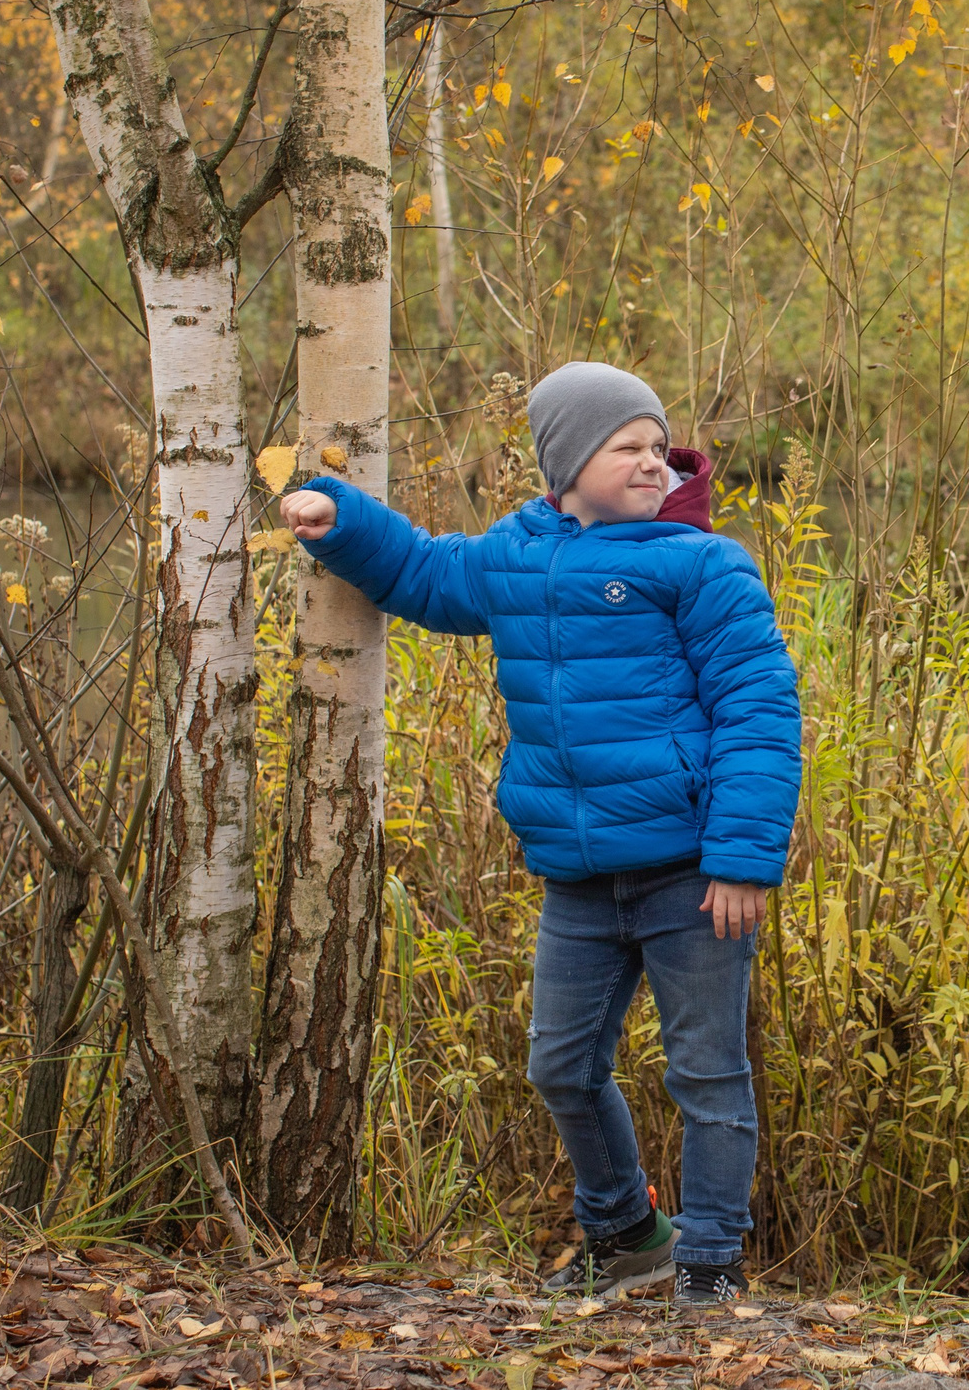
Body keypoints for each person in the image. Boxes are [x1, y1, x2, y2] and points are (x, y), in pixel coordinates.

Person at [277, 363, 799, 1307]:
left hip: (692, 872)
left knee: (707, 1073)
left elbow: (758, 709)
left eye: (658, 445)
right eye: (628, 446)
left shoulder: (702, 564)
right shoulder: (516, 556)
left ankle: (712, 1263)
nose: (654, 461)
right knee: (561, 1065)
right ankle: (628, 1234)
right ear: (567, 462)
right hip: (579, 877)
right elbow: (421, 573)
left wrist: (741, 857)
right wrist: (341, 518)